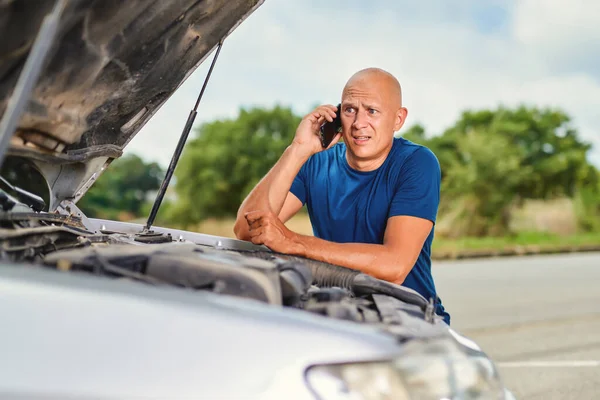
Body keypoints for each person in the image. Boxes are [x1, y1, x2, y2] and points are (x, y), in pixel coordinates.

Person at [233, 67, 450, 324]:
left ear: (398, 119)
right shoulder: (315, 162)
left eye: (372, 111)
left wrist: (293, 242)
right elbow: (247, 229)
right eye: (349, 110)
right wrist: (298, 149)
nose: (359, 124)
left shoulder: (416, 163)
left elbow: (395, 266)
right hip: (338, 313)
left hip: (409, 317)